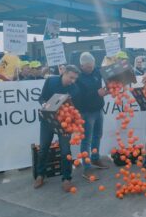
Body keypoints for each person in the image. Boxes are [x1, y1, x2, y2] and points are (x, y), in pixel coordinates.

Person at [34, 65, 81, 192]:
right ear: (64, 73)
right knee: (43, 148)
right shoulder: (50, 81)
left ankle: (67, 178)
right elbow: (41, 97)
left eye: (75, 78)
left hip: (64, 123)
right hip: (47, 121)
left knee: (66, 151)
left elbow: (74, 108)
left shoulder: (74, 88)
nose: (72, 81)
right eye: (71, 77)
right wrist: (44, 104)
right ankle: (40, 175)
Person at [76, 52, 109, 181]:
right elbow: (79, 97)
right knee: (86, 140)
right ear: (81, 65)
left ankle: (95, 158)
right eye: (88, 67)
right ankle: (87, 167)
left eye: (92, 66)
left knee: (98, 135)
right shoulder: (77, 77)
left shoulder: (96, 71)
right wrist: (97, 93)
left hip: (99, 109)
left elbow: (109, 77)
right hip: (86, 112)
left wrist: (107, 90)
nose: (90, 69)